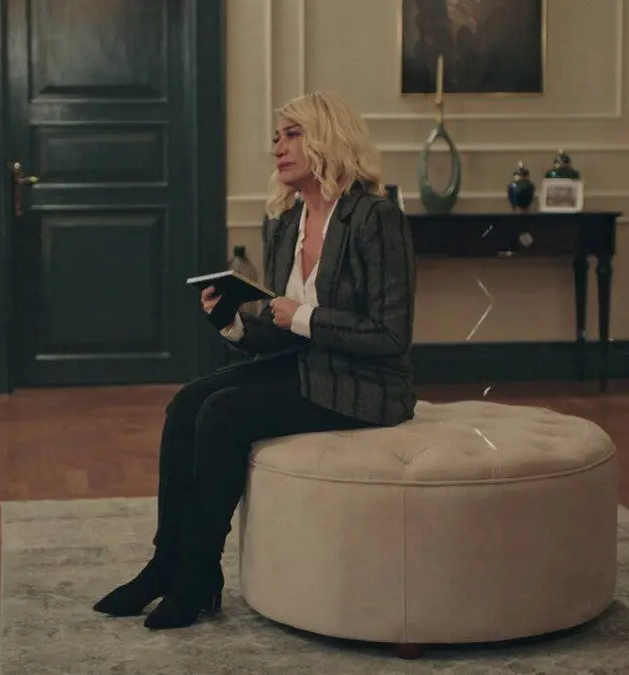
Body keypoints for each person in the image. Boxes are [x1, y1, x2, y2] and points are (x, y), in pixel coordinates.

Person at [92, 91, 417, 630]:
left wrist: (301, 316)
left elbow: (391, 334)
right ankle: (165, 562)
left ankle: (199, 571)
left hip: (367, 381)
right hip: (305, 367)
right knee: (187, 403)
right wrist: (233, 323)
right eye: (275, 137)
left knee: (224, 413)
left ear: (328, 138)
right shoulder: (286, 221)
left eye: (292, 134)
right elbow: (279, 331)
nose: (277, 147)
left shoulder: (375, 218)